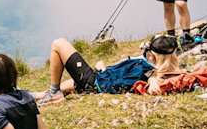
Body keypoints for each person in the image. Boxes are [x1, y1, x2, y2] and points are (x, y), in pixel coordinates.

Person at [39, 34, 184, 104]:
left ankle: (54, 92)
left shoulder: (145, 69)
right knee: (41, 95)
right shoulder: (170, 72)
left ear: (152, 55)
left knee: (59, 43)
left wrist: (102, 71)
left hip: (95, 82)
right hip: (98, 79)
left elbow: (118, 84)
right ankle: (43, 95)